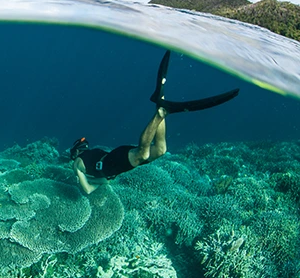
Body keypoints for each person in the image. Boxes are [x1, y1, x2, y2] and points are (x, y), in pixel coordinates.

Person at [70, 51, 240, 195]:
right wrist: (104, 179)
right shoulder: (92, 152)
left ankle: (161, 114)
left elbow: (87, 190)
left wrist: (92, 181)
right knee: (161, 150)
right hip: (117, 157)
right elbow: (106, 181)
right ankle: (161, 103)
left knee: (142, 154)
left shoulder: (77, 163)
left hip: (116, 162)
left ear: (75, 152)